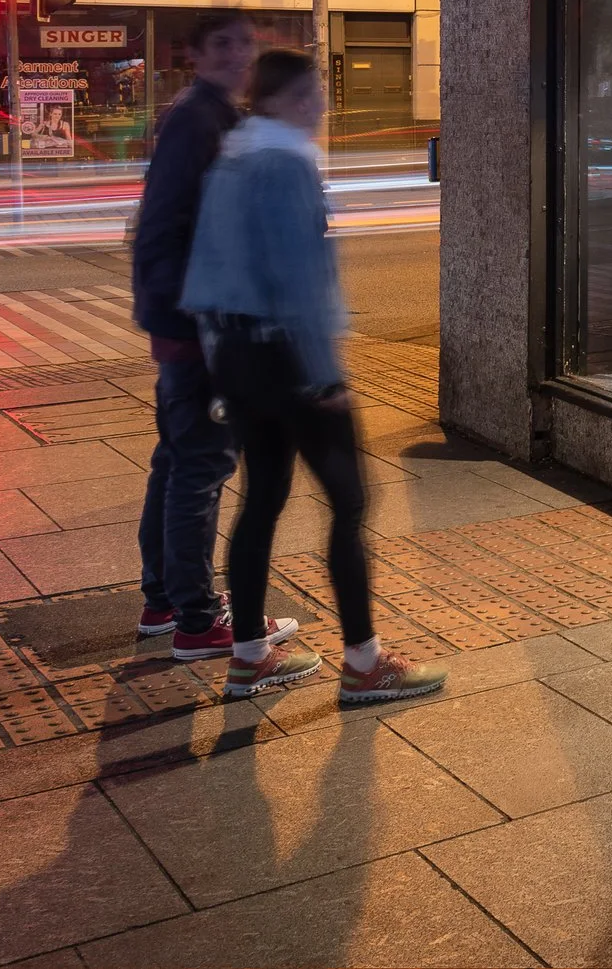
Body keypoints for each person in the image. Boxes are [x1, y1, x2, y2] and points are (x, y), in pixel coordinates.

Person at [182, 48, 445, 705]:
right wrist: (325, 377)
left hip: (240, 357)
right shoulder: (289, 162)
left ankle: (248, 656)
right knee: (351, 502)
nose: (323, 104)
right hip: (291, 360)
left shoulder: (233, 156)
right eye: (315, 93)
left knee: (262, 497)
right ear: (289, 98)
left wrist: (221, 361)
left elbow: (205, 268)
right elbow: (300, 279)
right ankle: (364, 661)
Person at [131, 12, 296, 660]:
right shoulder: (200, 119)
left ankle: (165, 599)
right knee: (202, 465)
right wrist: (189, 322)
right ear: (194, 52)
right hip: (200, 325)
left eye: (245, 43)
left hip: (190, 318)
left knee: (177, 460)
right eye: (221, 43)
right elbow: (164, 227)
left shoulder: (210, 115)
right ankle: (198, 619)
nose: (237, 54)